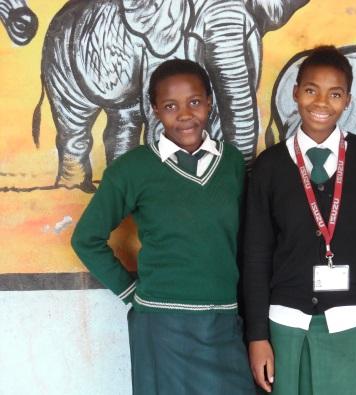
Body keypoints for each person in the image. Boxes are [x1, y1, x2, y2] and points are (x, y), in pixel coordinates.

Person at [71, 59, 255, 395]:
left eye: (194, 102)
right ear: (155, 110)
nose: (184, 115)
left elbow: (242, 240)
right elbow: (86, 238)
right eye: (170, 106)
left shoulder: (231, 162)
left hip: (224, 321)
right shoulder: (133, 169)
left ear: (210, 103)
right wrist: (131, 293)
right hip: (161, 325)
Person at [243, 46, 356, 395]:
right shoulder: (269, 166)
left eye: (334, 94)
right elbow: (256, 257)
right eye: (310, 90)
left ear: (347, 100)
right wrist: (257, 335)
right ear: (295, 93)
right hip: (286, 328)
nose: (321, 103)